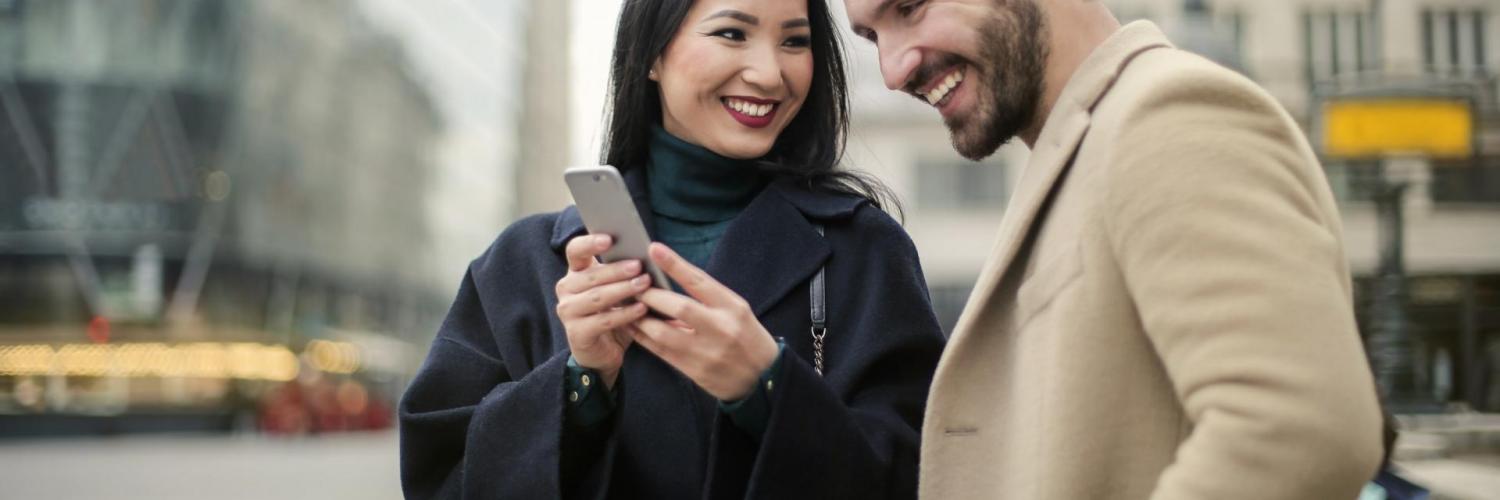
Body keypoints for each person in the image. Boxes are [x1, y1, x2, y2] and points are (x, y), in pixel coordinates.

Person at [398, 0, 946, 497]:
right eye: (732, 33)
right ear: (652, 55)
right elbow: (438, 478)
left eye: (795, 41)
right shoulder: (523, 264)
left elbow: (930, 475)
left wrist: (767, 386)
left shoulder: (866, 250)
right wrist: (582, 383)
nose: (769, 72)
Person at [842, 0, 1384, 498]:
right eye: (871, 37)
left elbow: (1301, 427)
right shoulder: (1086, 143)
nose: (892, 71)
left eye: (910, 7)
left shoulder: (1167, 114)